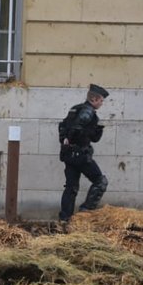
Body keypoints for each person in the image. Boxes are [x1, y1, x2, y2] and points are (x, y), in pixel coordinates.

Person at [58, 83, 109, 221]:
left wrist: (66, 141)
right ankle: (85, 212)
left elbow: (62, 126)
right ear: (93, 99)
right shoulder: (88, 111)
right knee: (100, 181)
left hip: (69, 154)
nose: (102, 103)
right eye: (100, 100)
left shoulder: (75, 109)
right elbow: (77, 129)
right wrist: (71, 139)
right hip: (80, 155)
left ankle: (64, 220)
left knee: (71, 188)